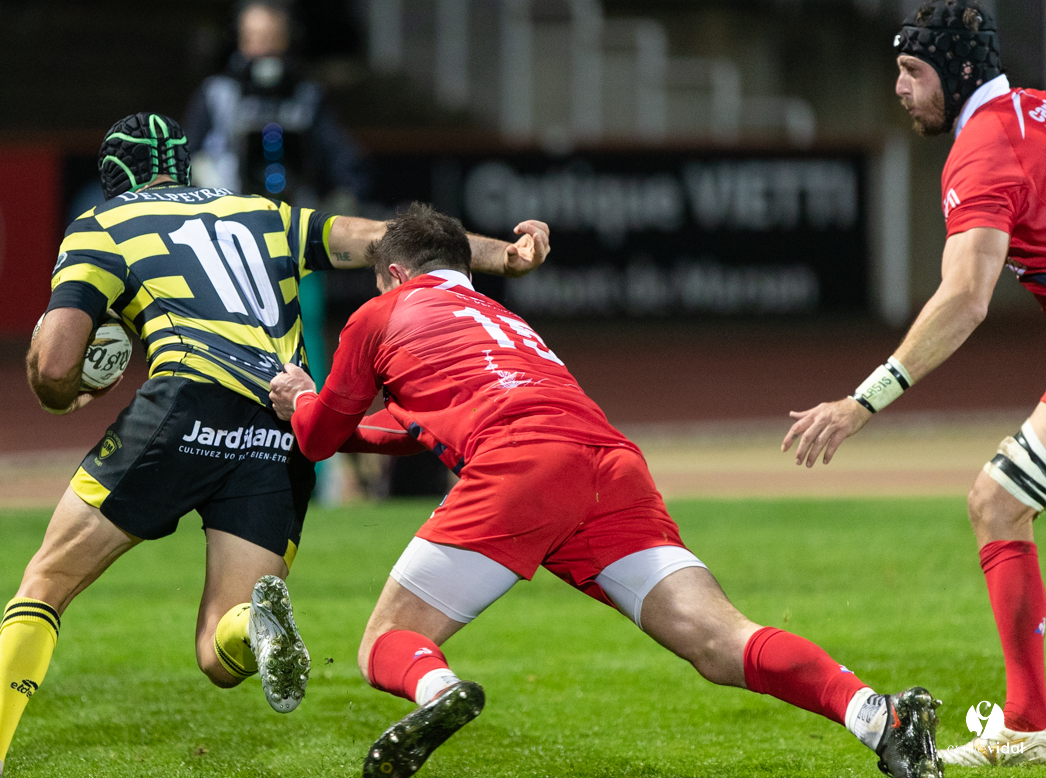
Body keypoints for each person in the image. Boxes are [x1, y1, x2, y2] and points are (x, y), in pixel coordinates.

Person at [0, 114, 549, 778]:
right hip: (281, 425)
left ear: (114, 178)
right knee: (218, 653)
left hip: (187, 406)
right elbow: (384, 239)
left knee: (48, 580)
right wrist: (505, 256)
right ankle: (253, 625)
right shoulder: (262, 213)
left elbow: (55, 368)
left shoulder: (102, 227)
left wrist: (64, 390)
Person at [269, 203, 944, 778]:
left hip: (520, 468)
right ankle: (877, 715)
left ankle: (438, 689)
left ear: (393, 273)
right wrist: (337, 424)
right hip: (609, 465)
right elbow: (417, 428)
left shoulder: (381, 314)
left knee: (387, 640)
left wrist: (300, 399)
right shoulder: (501, 320)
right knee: (721, 641)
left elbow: (321, 437)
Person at [781, 0, 1046, 767]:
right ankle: (1030, 720)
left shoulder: (984, 148)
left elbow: (964, 300)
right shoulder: (1033, 112)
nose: (899, 88)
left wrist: (860, 404)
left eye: (911, 71)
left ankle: (1030, 724)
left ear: (958, 73)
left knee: (998, 502)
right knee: (1001, 501)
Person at [184, 0, 363, 208]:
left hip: (293, 212)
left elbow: (344, 162)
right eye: (252, 39)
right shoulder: (215, 94)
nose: (261, 50)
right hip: (227, 213)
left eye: (270, 39)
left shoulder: (308, 96)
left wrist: (343, 199)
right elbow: (186, 157)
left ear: (288, 40)